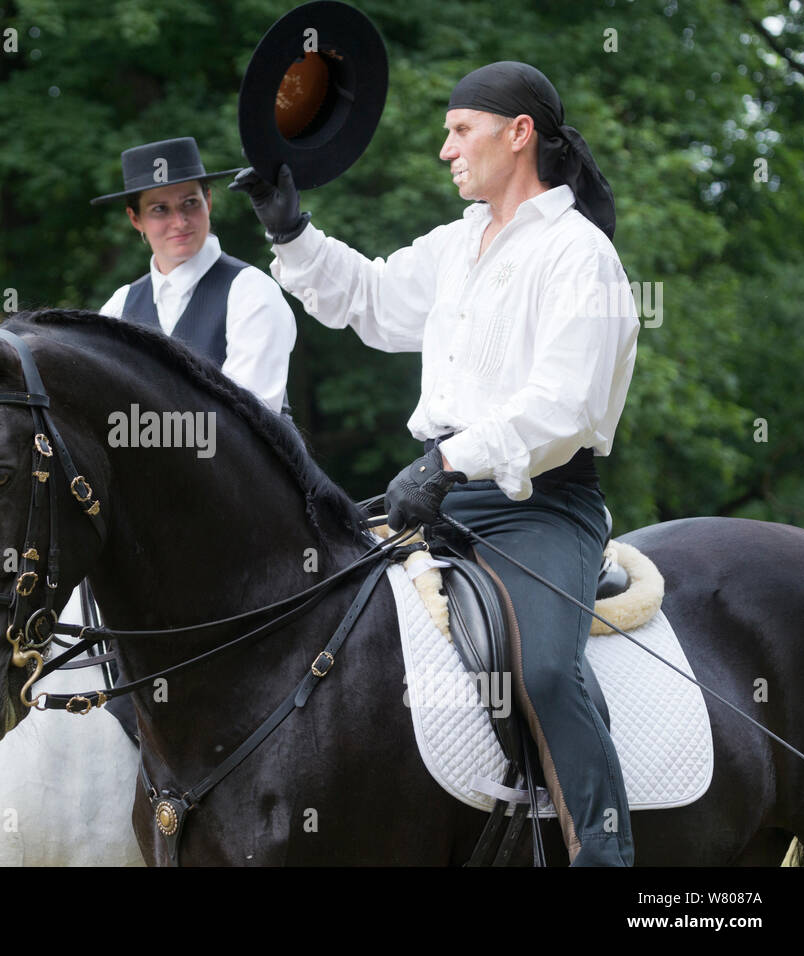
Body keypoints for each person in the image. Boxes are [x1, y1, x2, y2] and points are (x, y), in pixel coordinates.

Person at [231, 61, 639, 866]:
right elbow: (373, 300)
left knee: (544, 670)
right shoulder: (459, 244)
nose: (445, 150)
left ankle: (604, 851)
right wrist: (291, 232)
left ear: (518, 134)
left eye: (459, 131)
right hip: (437, 498)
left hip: (537, 505)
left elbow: (565, 405)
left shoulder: (578, 254)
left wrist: (449, 460)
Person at [92, 137, 296, 413]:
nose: (179, 222)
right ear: (135, 218)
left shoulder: (252, 291)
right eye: (160, 209)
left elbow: (247, 420)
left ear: (208, 201)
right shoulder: (118, 308)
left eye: (190, 203)